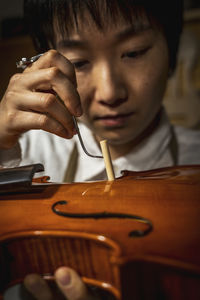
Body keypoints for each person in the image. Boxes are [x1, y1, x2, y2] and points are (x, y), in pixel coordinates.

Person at [1, 0, 200, 299]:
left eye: (133, 53)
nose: (110, 93)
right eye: (78, 62)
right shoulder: (21, 148)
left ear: (171, 48)